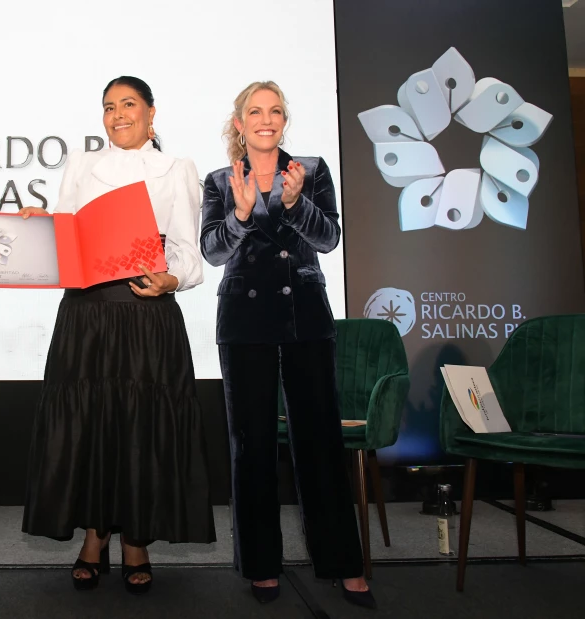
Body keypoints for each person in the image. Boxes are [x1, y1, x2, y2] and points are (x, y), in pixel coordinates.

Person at [20, 76, 214, 595]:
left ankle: (136, 541)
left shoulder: (178, 169)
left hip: (146, 316)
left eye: (129, 104)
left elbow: (188, 251)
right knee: (89, 426)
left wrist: (173, 279)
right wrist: (42, 227)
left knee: (139, 428)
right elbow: (65, 235)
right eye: (109, 107)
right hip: (87, 316)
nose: (118, 114)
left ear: (153, 114)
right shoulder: (82, 165)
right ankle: (93, 536)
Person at [200, 81, 377, 609]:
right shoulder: (218, 180)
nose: (266, 119)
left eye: (275, 111)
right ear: (240, 123)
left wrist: (296, 204)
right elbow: (211, 251)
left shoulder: (313, 171)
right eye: (255, 111)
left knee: (320, 442)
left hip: (305, 313)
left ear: (284, 121)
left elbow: (328, 239)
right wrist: (240, 214)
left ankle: (344, 563)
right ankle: (260, 564)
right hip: (244, 316)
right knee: (251, 444)